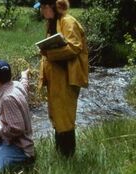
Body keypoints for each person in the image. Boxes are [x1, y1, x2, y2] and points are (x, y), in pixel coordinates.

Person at [34, 0, 89, 157]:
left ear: (53, 7)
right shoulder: (53, 22)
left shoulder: (68, 21)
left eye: (44, 7)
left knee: (65, 116)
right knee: (56, 114)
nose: (42, 12)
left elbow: (74, 47)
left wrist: (49, 53)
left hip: (66, 76)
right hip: (55, 76)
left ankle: (68, 156)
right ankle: (61, 154)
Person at [0, 60, 35, 174]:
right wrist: (24, 75)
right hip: (9, 140)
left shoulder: (7, 98)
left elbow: (16, 129)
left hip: (19, 147)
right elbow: (24, 84)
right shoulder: (16, 85)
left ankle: (23, 161)